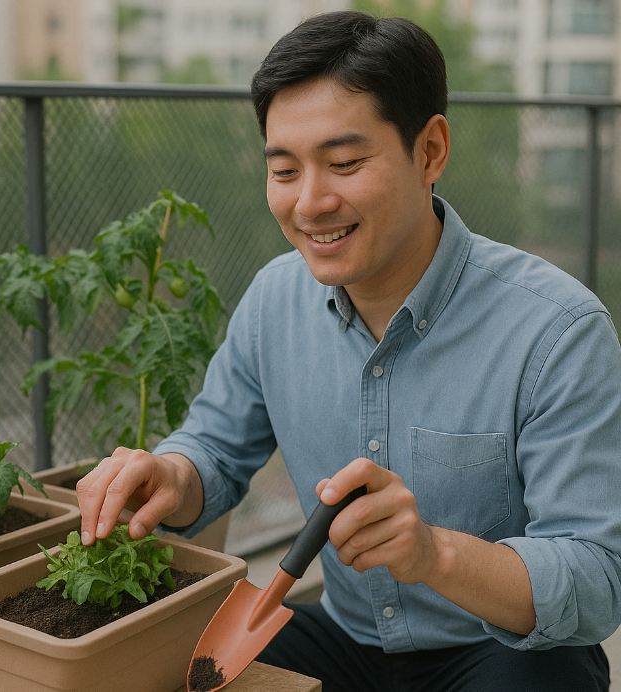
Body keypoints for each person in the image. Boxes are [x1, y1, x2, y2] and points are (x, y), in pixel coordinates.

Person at [74, 10, 621, 691]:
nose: (310, 203)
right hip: (343, 637)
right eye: (283, 170)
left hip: (499, 649)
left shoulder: (557, 329)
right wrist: (171, 477)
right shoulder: (275, 298)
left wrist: (434, 554)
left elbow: (595, 580)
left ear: (430, 151)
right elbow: (213, 449)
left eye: (344, 163)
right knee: (171, 666)